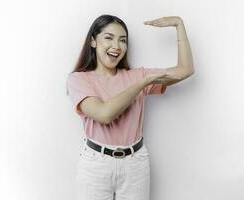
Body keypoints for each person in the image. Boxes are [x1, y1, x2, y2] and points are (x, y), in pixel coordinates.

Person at [66, 14, 194, 200]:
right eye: (108, 38)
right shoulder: (79, 79)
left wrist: (179, 25)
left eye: (122, 40)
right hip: (96, 164)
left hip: (136, 163)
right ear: (93, 41)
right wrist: (142, 83)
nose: (117, 46)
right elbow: (104, 114)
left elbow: (185, 70)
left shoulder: (137, 75)